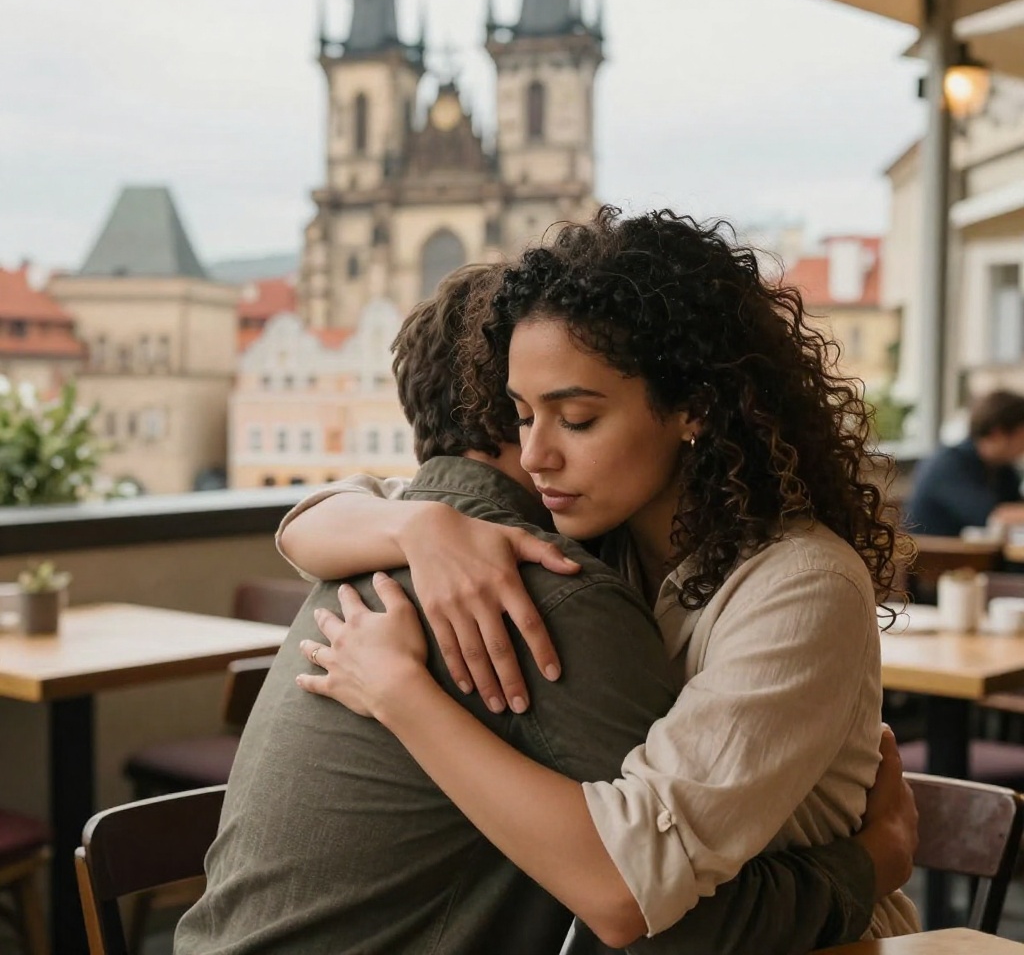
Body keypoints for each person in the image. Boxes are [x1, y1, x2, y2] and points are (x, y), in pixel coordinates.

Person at [176, 263, 916, 955]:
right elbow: (649, 913)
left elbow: (637, 897)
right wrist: (866, 866)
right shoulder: (508, 553)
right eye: (525, 415)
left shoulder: (558, 568)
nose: (537, 455)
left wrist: (404, 688)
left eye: (575, 416)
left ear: (692, 408)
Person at [905, 389, 1024, 537]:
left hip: (976, 554)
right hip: (939, 556)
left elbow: (1015, 507)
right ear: (997, 433)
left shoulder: (1002, 469)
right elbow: (995, 516)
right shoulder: (948, 464)